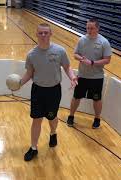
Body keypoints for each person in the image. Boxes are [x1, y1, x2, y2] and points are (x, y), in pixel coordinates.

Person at [20, 23, 77, 161]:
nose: (43, 35)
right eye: (41, 33)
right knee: (36, 119)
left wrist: (72, 77)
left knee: (52, 117)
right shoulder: (31, 54)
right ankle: (33, 148)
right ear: (37, 34)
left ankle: (53, 133)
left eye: (46, 33)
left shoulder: (60, 51)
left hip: (54, 91)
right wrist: (19, 83)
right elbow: (29, 73)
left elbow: (67, 67)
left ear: (51, 34)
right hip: (38, 91)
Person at [67, 18, 112, 129]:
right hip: (82, 75)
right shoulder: (82, 40)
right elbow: (75, 54)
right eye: (87, 27)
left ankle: (97, 119)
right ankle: (71, 116)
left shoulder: (104, 42)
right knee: (76, 97)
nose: (89, 30)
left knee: (97, 99)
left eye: (91, 28)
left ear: (97, 28)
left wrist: (91, 62)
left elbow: (107, 60)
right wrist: (82, 59)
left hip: (97, 77)